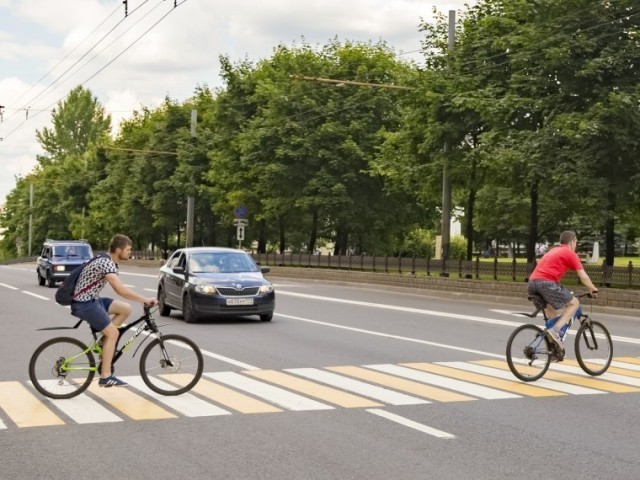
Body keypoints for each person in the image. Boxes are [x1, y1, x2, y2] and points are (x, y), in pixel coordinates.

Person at [70, 234, 157, 387]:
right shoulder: (106, 264)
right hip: (84, 304)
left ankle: (104, 343)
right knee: (114, 333)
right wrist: (144, 299)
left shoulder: (109, 262)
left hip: (92, 300)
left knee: (125, 308)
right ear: (118, 250)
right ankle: (105, 376)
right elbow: (120, 290)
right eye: (128, 249)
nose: (130, 252)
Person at [528, 230, 598, 353]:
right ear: (572, 242)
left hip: (532, 283)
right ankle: (555, 331)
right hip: (546, 283)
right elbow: (583, 276)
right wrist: (593, 288)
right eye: (576, 242)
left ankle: (554, 351)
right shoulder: (570, 253)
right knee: (574, 304)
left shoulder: (553, 251)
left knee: (552, 317)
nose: (576, 244)